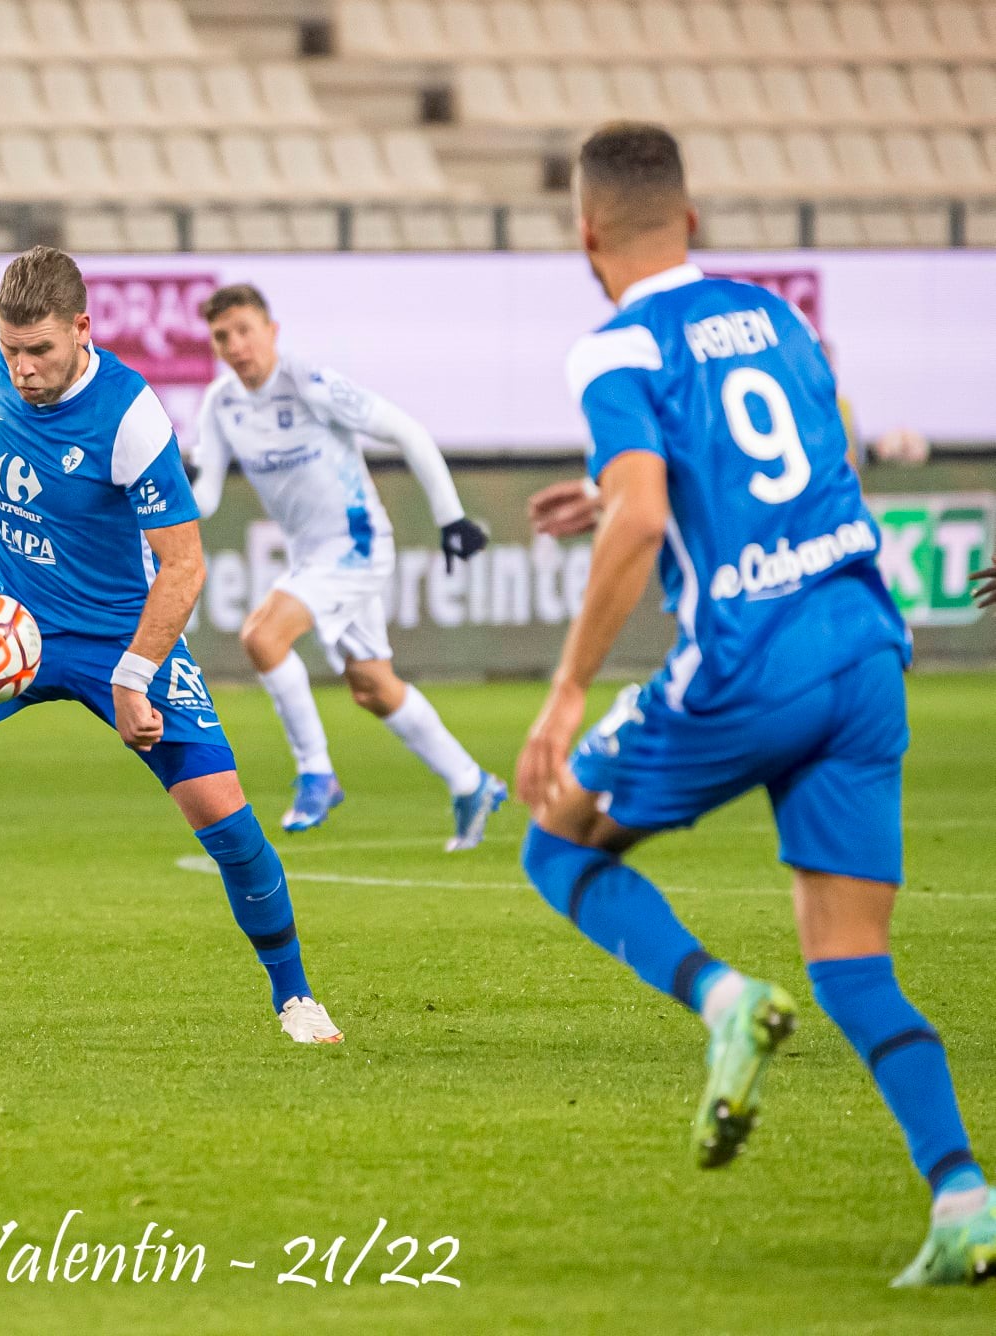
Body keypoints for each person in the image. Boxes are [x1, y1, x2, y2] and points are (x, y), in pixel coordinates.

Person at [515, 121, 991, 1287]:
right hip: (865, 647)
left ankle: (724, 1000)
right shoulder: (780, 317)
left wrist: (567, 686)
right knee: (852, 961)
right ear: (693, 218)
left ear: (588, 238)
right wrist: (635, 491)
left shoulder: (614, 349)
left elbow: (639, 517)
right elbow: (808, 455)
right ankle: (965, 1199)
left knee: (555, 840)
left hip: (747, 660)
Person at [0, 247, 343, 1044]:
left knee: (227, 823)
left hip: (123, 639)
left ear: (82, 329)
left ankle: (296, 998)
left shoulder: (130, 416)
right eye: (10, 349)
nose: (24, 367)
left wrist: (136, 674)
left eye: (39, 349)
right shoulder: (7, 379)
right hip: (12, 631)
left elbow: (184, 566)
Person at [189, 284, 505, 846]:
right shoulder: (220, 404)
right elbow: (206, 496)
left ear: (272, 332)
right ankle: (471, 780)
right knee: (372, 686)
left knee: (263, 637)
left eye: (245, 330)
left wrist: (450, 517)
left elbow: (407, 430)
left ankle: (317, 772)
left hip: (357, 544)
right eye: (222, 336)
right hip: (313, 555)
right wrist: (153, 505)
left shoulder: (309, 383)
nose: (236, 345)